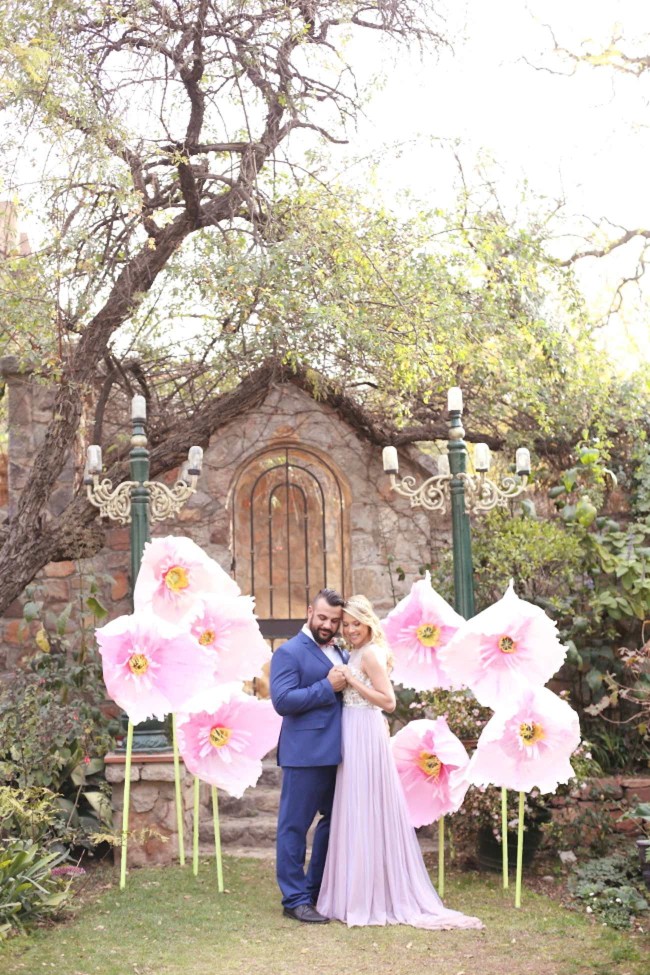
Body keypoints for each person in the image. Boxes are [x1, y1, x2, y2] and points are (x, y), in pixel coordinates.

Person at [317, 594, 483, 931]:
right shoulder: (354, 652)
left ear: (368, 624)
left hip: (365, 730)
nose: (350, 630)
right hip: (350, 730)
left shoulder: (372, 654)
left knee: (366, 807)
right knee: (352, 807)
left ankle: (369, 896)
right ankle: (351, 893)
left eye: (355, 624)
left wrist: (350, 681)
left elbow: (389, 702)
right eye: (346, 625)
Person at [270, 588, 349, 924]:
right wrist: (325, 688)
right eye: (322, 618)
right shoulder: (289, 652)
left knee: (333, 825)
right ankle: (294, 899)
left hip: (339, 754)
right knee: (294, 827)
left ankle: (315, 890)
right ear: (309, 612)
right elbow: (282, 700)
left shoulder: (342, 652)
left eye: (334, 620)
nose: (327, 625)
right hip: (304, 755)